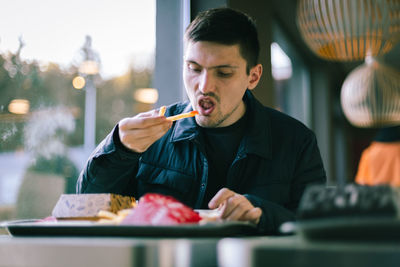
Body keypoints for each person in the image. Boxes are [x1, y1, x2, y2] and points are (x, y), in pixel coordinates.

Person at [77, 7, 326, 234]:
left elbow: (318, 227)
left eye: (224, 73)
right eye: (194, 69)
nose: (204, 86)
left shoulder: (296, 141)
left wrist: (260, 212)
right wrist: (119, 148)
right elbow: (85, 209)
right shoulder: (151, 137)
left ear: (253, 77)